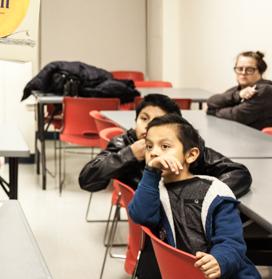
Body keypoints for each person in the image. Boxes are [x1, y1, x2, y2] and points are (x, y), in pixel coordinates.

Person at [78, 94, 252, 279]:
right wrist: (129, 155)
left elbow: (237, 175)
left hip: (207, 255)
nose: (154, 152)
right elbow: (89, 180)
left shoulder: (187, 149)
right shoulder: (127, 146)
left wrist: (200, 196)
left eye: (164, 145)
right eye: (144, 119)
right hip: (163, 250)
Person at [128, 115, 261, 279]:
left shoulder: (214, 191)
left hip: (226, 273)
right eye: (149, 146)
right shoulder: (152, 190)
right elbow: (141, 216)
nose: (154, 153)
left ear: (190, 155)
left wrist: (219, 261)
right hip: (186, 272)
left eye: (164, 146)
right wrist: (150, 174)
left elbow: (231, 241)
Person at [206, 51, 272, 130]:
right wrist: (238, 95)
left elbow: (236, 116)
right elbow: (211, 101)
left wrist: (211, 111)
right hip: (240, 136)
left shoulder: (265, 90)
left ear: (260, 72)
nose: (243, 73)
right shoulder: (239, 89)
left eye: (249, 69)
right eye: (240, 69)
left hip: (260, 141)